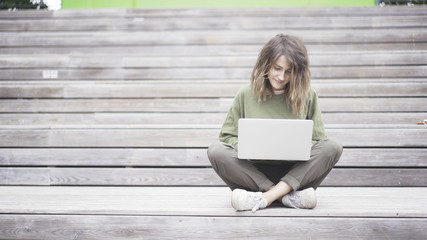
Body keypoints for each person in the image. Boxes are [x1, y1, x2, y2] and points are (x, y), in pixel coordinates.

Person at [207, 34, 343, 213]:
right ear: (266, 64)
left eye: (289, 71)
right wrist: (248, 146)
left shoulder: (308, 95)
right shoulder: (245, 94)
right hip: (253, 174)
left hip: (296, 174)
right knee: (216, 151)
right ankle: (286, 198)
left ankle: (264, 198)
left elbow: (319, 142)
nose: (281, 76)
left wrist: (296, 146)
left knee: (333, 147)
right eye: (277, 68)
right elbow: (226, 137)